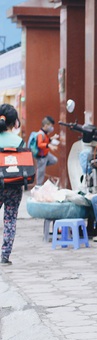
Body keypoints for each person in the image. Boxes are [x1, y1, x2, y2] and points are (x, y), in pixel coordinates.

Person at [0, 104, 25, 266]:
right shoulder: (19, 141)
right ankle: (4, 255)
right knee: (10, 220)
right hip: (14, 185)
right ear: (14, 122)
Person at [35, 116, 59, 185]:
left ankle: (42, 166)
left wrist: (52, 139)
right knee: (41, 173)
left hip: (46, 154)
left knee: (54, 160)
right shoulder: (40, 134)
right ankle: (38, 187)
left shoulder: (45, 134)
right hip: (41, 156)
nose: (51, 128)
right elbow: (39, 144)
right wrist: (49, 145)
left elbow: (46, 140)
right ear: (45, 125)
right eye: (50, 126)